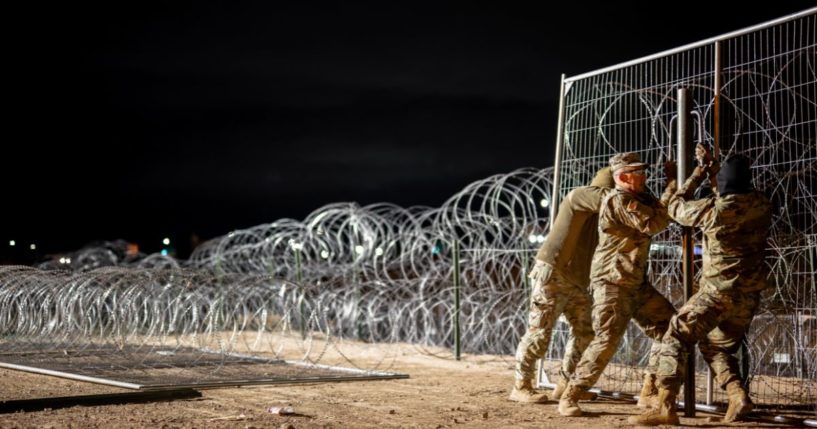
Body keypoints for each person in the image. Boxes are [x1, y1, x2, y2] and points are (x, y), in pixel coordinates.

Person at [629, 146, 772, 425]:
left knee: (674, 336)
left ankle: (665, 407)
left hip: (718, 294)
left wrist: (696, 175)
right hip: (749, 295)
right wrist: (714, 174)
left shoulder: (713, 211)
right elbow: (729, 193)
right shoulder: (761, 204)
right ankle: (737, 395)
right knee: (716, 346)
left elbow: (675, 206)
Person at [558, 152, 677, 416]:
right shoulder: (620, 200)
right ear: (622, 177)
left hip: (634, 282)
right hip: (613, 282)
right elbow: (654, 223)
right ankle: (570, 394)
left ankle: (651, 390)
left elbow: (661, 208)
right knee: (607, 339)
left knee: (668, 326)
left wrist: (673, 183)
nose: (644, 177)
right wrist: (672, 188)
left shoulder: (638, 198)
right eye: (638, 173)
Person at [509, 166, 614, 403]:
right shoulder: (581, 196)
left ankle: (567, 385)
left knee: (585, 334)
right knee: (540, 332)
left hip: (577, 281)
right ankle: (521, 386)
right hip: (553, 274)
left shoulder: (605, 215)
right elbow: (604, 199)